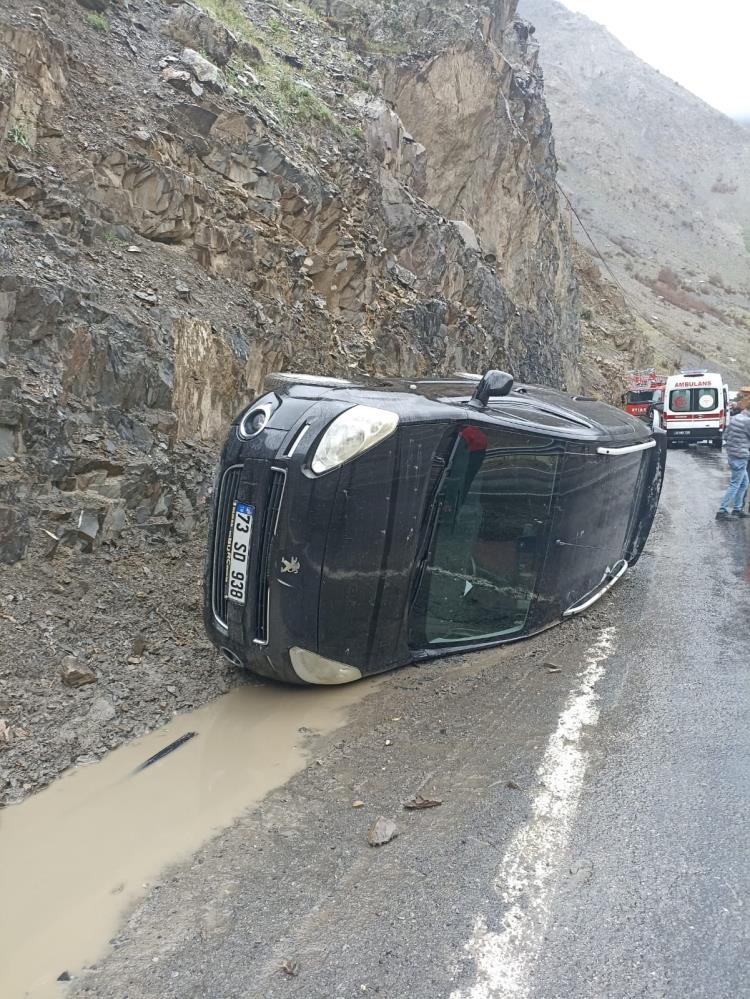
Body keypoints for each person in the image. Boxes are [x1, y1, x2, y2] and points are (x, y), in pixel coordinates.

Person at [716, 391, 750, 520]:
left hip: (732, 455)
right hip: (740, 456)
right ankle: (722, 511)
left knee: (744, 483)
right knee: (735, 484)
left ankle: (737, 509)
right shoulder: (747, 422)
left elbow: (725, 435)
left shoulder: (736, 418)